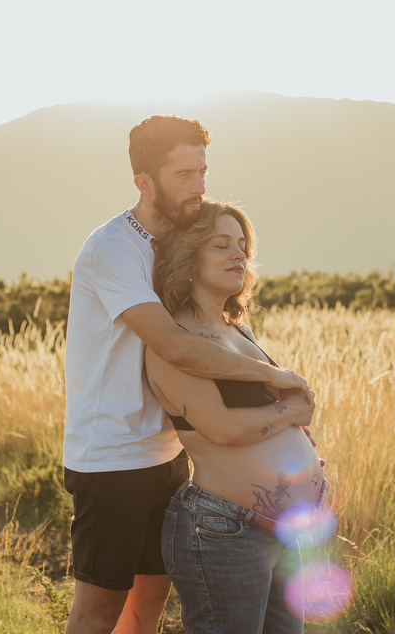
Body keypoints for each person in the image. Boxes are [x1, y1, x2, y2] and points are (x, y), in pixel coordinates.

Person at [62, 116, 313, 634]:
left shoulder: (176, 239)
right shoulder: (114, 248)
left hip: (165, 452)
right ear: (144, 183)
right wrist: (278, 379)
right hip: (110, 457)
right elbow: (175, 345)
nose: (198, 187)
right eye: (183, 175)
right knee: (101, 608)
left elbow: (203, 320)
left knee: (149, 597)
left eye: (201, 171)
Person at [145, 200, 326, 634]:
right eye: (221, 245)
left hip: (281, 532)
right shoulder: (174, 340)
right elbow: (221, 428)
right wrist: (289, 413)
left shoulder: (237, 328)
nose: (237, 255)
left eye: (242, 246)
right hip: (223, 531)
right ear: (190, 255)